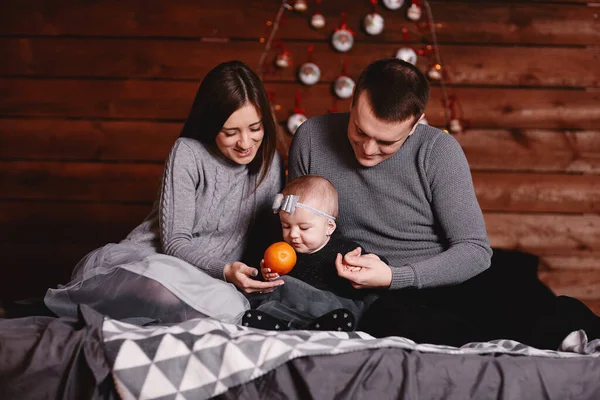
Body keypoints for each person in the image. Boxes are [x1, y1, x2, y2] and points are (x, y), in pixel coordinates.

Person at [287, 58, 600, 349]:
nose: (368, 149)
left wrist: (396, 277)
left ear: (416, 125)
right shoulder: (311, 138)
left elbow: (475, 251)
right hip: (370, 293)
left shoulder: (438, 150)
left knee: (522, 299)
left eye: (387, 142)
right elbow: (296, 222)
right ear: (353, 101)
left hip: (440, 277)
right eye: (360, 130)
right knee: (394, 322)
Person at [44, 60, 285, 325]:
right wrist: (225, 270)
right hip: (157, 262)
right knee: (163, 291)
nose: (245, 143)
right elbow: (175, 243)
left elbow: (264, 237)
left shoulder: (270, 163)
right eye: (230, 132)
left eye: (255, 128)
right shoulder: (188, 153)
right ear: (211, 125)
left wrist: (259, 271)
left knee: (226, 307)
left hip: (214, 280)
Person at [242, 175, 383, 331]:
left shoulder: (345, 251)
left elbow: (374, 268)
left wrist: (358, 268)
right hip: (290, 309)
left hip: (328, 309)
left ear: (329, 227)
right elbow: (267, 282)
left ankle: (326, 326)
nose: (293, 234)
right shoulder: (281, 250)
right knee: (273, 295)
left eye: (304, 228)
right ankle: (278, 326)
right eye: (286, 226)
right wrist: (267, 274)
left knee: (346, 311)